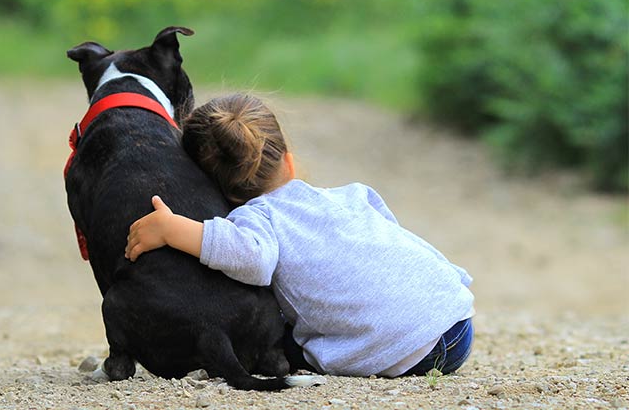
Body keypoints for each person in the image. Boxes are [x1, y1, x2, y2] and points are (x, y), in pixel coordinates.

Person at [124, 93, 475, 377]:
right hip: (455, 320)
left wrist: (175, 229)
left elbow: (252, 258)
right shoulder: (353, 194)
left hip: (409, 352)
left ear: (218, 195)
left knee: (280, 342)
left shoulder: (257, 217)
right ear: (288, 161)